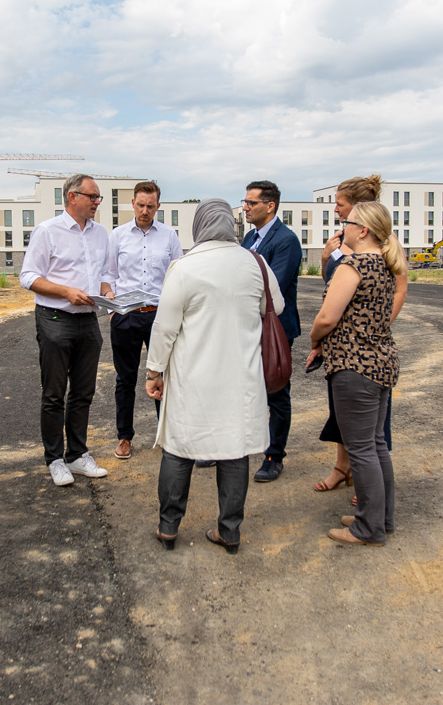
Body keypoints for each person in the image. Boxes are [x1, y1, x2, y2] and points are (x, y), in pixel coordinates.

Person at [145, 200, 283, 553]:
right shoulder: (256, 262)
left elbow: (164, 328)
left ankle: (169, 527)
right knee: (235, 450)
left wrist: (154, 371)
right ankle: (229, 531)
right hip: (241, 378)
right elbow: (276, 307)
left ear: (200, 226)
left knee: (179, 449)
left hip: (194, 378)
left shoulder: (185, 267)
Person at [305, 201, 401, 546]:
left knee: (361, 449)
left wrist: (315, 339)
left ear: (363, 230)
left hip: (354, 365)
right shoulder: (386, 265)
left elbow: (328, 317)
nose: (342, 226)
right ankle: (379, 518)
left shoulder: (353, 264)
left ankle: (368, 529)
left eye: (348, 222)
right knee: (375, 445)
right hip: (380, 362)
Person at [314, 175, 408, 495]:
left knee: (367, 439)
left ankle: (368, 498)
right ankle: (350, 474)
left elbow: (398, 290)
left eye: (340, 204)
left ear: (360, 215)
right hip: (346, 349)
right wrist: (327, 256)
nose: (336, 210)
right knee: (356, 428)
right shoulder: (346, 242)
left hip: (359, 353)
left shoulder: (379, 248)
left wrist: (375, 327)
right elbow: (332, 285)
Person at [18, 173, 110, 487]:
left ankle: (77, 454)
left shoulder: (101, 234)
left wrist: (108, 292)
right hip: (55, 319)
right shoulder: (47, 231)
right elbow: (29, 277)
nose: (98, 202)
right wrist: (65, 291)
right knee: (54, 394)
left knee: (83, 393)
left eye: (99, 197)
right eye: (92, 196)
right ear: (72, 197)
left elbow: (105, 274)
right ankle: (55, 458)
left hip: (89, 320)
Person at [101, 181, 182, 460]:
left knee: (164, 376)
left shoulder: (170, 236)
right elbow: (108, 274)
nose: (145, 210)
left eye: (150, 206)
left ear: (158, 206)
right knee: (125, 379)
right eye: (140, 205)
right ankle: (125, 437)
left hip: (159, 316)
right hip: (125, 316)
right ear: (132, 204)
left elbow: (178, 275)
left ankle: (167, 435)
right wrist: (110, 300)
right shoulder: (118, 235)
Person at [240, 180, 302, 482]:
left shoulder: (286, 240)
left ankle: (274, 456)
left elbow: (270, 286)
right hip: (248, 327)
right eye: (245, 201)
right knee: (244, 389)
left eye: (251, 202)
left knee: (276, 391)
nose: (246, 207)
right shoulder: (249, 237)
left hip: (274, 330)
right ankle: (232, 448)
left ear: (270, 205)